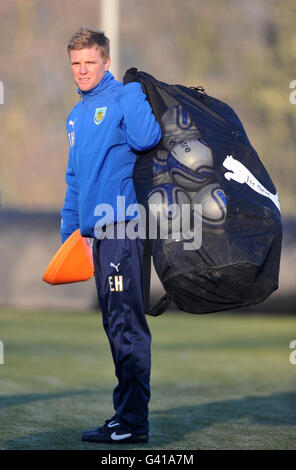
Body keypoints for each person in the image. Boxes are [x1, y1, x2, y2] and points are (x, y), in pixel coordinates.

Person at [60, 27, 161, 444]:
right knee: (113, 323)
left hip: (124, 229)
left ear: (105, 62)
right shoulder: (75, 115)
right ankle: (126, 417)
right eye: (75, 64)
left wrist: (134, 91)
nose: (82, 71)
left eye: (90, 63)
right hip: (98, 235)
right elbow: (74, 179)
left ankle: (134, 423)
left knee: (126, 324)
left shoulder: (123, 97)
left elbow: (146, 138)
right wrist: (70, 233)